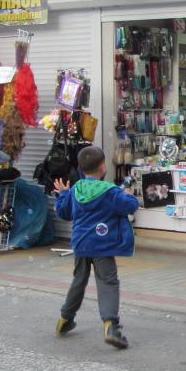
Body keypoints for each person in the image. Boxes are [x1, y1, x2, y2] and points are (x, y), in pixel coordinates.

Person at [53, 146, 139, 349]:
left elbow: (64, 213)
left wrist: (64, 194)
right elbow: (130, 206)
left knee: (78, 281)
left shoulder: (76, 190)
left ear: (81, 169)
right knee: (108, 283)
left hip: (82, 244)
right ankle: (111, 326)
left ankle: (64, 320)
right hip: (104, 245)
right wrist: (127, 193)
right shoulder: (110, 192)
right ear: (103, 168)